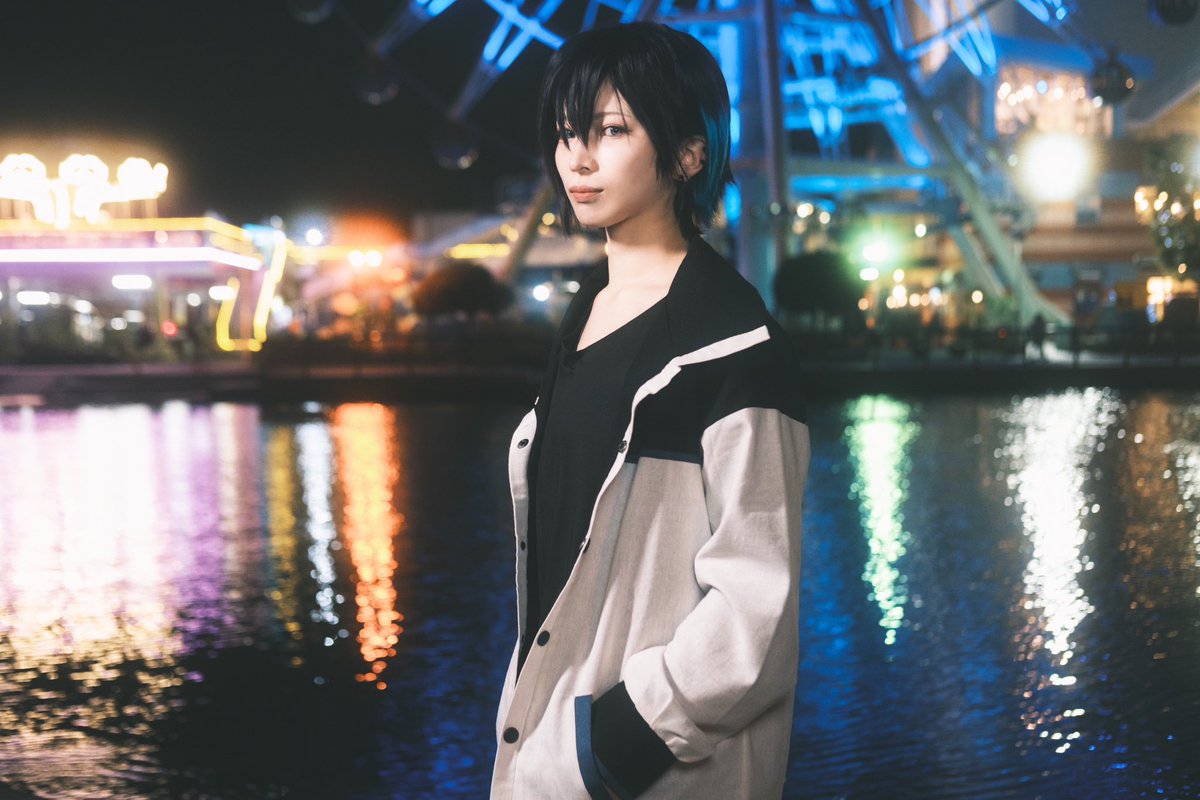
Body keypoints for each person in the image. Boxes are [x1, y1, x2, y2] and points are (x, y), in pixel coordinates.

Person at [491, 22, 810, 799]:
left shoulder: (731, 340)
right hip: (546, 744)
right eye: (565, 132)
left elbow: (757, 607)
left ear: (690, 153)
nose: (578, 158)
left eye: (610, 131)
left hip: (644, 769)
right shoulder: (585, 313)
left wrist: (609, 747)